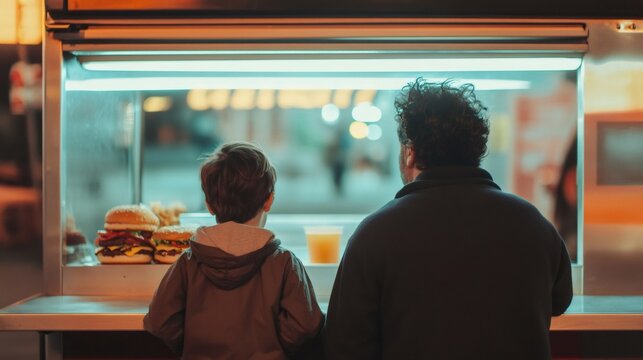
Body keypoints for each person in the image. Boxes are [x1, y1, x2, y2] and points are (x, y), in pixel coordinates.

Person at [324, 79, 573, 359]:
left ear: (409, 152)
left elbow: (343, 344)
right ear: (475, 152)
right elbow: (560, 300)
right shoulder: (533, 225)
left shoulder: (374, 234)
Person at [144, 141, 324, 359]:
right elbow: (305, 325)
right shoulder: (284, 263)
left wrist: (193, 344)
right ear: (269, 201)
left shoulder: (188, 262)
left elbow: (159, 321)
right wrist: (274, 343)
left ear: (209, 205)